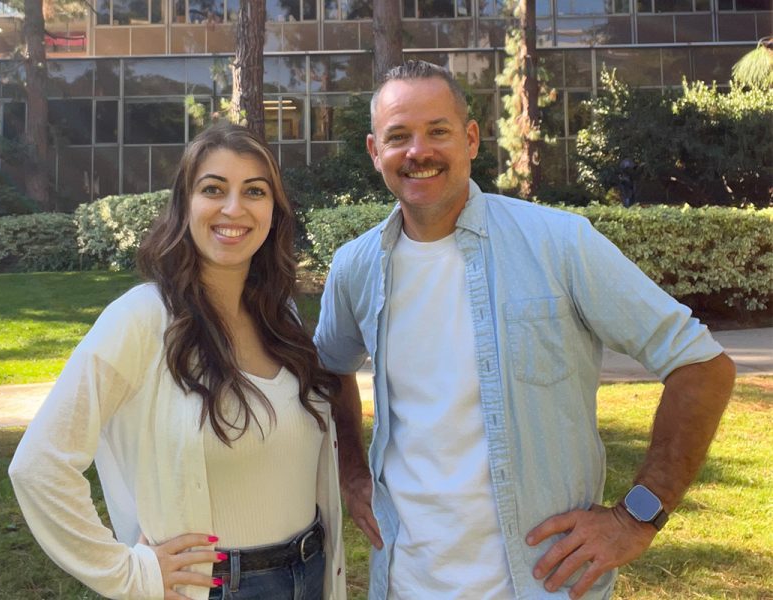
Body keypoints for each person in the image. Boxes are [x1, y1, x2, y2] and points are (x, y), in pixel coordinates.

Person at [313, 60, 735, 600]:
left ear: (470, 139)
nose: (418, 152)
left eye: (437, 131)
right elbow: (330, 367)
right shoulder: (356, 267)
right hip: (403, 581)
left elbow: (702, 366)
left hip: (539, 584)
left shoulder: (559, 244)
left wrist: (638, 516)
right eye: (399, 136)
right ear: (376, 152)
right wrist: (352, 472)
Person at [10, 123, 346, 600]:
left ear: (274, 211)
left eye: (255, 191)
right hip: (216, 588)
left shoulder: (281, 317)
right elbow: (38, 466)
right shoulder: (142, 318)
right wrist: (128, 573)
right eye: (214, 189)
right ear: (185, 205)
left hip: (309, 573)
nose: (234, 208)